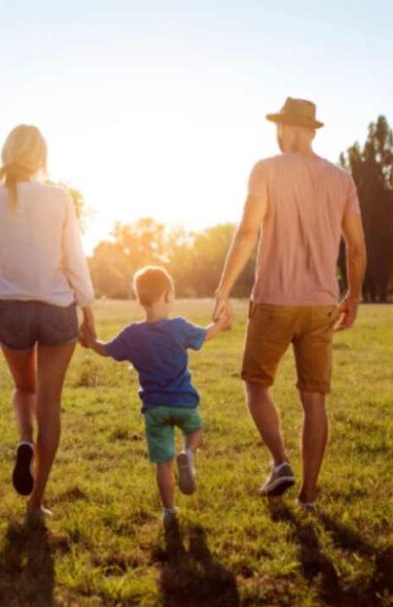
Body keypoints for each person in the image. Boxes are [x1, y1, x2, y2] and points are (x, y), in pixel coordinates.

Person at [212, 97, 367, 511]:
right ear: (311, 131)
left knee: (256, 384)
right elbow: (356, 247)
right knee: (314, 400)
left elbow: (248, 233)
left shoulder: (266, 169)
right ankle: (309, 496)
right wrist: (353, 296)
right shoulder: (341, 178)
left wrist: (223, 289)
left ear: (284, 128)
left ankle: (280, 462)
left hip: (273, 300)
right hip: (321, 305)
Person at [0, 124, 96, 519]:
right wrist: (88, 310)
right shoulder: (59, 198)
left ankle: (25, 440)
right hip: (57, 309)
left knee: (25, 388)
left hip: (13, 312)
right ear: (41, 156)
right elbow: (74, 257)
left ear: (6, 153)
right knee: (50, 405)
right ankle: (36, 502)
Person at [82, 266, 231, 523]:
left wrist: (90, 340)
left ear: (139, 300)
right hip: (183, 403)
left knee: (164, 462)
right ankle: (189, 453)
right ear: (168, 295)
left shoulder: (132, 334)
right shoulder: (178, 327)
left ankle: (169, 511)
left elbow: (105, 350)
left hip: (154, 408)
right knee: (195, 432)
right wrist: (221, 323)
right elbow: (206, 334)